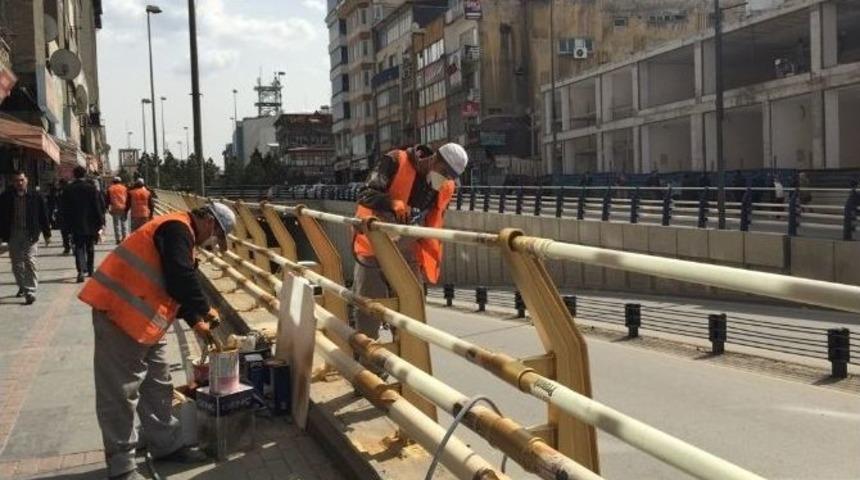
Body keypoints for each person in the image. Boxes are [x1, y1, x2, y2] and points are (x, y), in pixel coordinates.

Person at [78, 202, 237, 480]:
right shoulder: (177, 229)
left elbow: (171, 282)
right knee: (120, 394)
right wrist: (205, 309)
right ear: (210, 223)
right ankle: (122, 467)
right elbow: (180, 277)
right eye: (216, 238)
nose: (212, 244)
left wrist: (194, 322)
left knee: (158, 385)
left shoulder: (181, 234)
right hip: (119, 315)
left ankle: (167, 445)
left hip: (147, 322)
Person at [352, 142, 468, 340]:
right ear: (434, 158)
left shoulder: (444, 187)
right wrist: (391, 203)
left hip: (406, 248)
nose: (446, 179)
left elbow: (433, 217)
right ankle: (367, 362)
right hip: (374, 244)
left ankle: (406, 359)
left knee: (412, 305)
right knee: (369, 307)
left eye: (451, 177)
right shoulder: (396, 160)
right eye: (444, 172)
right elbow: (364, 194)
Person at [0, 171, 51, 305]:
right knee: (17, 264)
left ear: (26, 180)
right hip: (13, 234)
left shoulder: (35, 196)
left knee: (30, 261)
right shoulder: (6, 197)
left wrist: (47, 234)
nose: (19, 183)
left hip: (31, 233)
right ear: (13, 182)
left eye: (22, 180)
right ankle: (23, 286)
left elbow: (43, 215)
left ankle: (30, 291)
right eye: (17, 181)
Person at [64, 166, 106, 283]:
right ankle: (91, 270)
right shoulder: (92, 189)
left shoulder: (68, 189)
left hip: (75, 223)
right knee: (90, 247)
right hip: (91, 224)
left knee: (78, 247)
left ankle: (80, 271)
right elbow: (97, 207)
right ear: (85, 175)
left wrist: (66, 226)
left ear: (74, 175)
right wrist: (101, 222)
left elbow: (64, 210)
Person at [106, 177, 129, 243]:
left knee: (116, 224)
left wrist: (107, 208)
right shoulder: (124, 188)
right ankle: (124, 238)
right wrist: (127, 208)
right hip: (123, 207)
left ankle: (118, 239)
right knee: (123, 223)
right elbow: (127, 198)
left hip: (115, 207)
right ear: (120, 181)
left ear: (113, 181)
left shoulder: (110, 189)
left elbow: (108, 199)